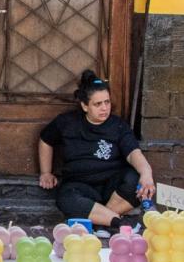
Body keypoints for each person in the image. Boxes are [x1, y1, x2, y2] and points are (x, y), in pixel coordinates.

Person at [38, 70, 155, 230]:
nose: (104, 108)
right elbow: (45, 140)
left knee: (134, 178)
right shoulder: (67, 123)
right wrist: (46, 172)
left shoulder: (118, 126)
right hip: (79, 185)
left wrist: (146, 173)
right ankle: (118, 223)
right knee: (66, 199)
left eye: (107, 102)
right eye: (97, 104)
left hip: (112, 188)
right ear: (84, 106)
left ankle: (99, 223)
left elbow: (133, 153)